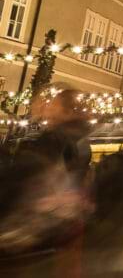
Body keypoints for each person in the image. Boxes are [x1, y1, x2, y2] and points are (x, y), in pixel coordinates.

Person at [0, 89, 93, 276]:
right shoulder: (82, 141)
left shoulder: (55, 138)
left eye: (54, 104)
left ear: (67, 111)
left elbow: (24, 175)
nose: (48, 108)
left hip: (27, 232)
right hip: (57, 231)